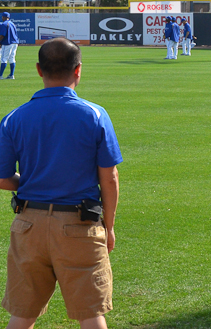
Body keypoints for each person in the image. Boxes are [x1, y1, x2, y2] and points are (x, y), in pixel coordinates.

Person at [0, 38, 122, 328]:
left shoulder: (13, 118)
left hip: (28, 224)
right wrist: (110, 226)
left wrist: (31, 182)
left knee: (23, 314)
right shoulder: (94, 115)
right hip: (80, 226)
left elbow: (3, 178)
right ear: (78, 70)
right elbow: (110, 178)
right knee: (91, 314)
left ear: (39, 70)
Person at [0, 11, 19, 80]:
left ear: (3, 17)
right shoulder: (12, 23)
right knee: (12, 59)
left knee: (4, 59)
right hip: (15, 43)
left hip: (8, 43)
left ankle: (0, 75)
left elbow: (2, 35)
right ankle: (11, 75)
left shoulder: (4, 24)